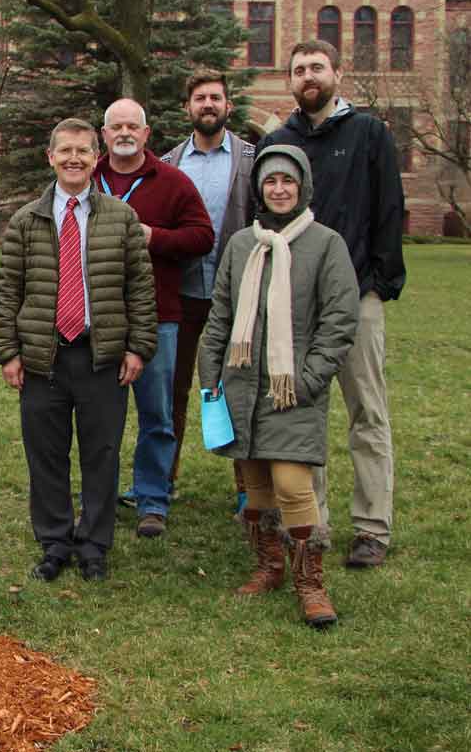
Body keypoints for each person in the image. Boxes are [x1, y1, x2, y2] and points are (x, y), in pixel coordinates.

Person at [0, 117, 157, 583]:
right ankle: (55, 540)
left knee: (101, 453)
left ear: (95, 157)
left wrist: (138, 348)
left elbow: (140, 290)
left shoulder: (120, 218)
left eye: (83, 151)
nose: (74, 158)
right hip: (44, 355)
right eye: (65, 151)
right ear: (51, 157)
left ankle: (95, 544)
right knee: (46, 453)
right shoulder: (26, 221)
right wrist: (8, 352)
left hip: (100, 354)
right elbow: (8, 291)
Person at [260, 40, 406, 568]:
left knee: (367, 412)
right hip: (299, 302)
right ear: (290, 81)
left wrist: (379, 283)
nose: (309, 76)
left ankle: (371, 526)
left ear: (338, 74)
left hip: (358, 295)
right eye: (299, 70)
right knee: (303, 413)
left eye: (317, 67)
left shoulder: (368, 134)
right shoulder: (281, 141)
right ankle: (310, 521)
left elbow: (389, 206)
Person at [199, 146, 358, 628]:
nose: (280, 189)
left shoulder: (325, 244)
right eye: (271, 181)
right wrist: (211, 378)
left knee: (292, 483)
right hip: (242, 385)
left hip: (293, 388)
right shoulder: (242, 245)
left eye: (289, 180)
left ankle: (310, 583)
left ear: (303, 185)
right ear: (260, 188)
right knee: (257, 488)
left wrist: (310, 378)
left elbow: (339, 318)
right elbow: (221, 314)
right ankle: (268, 565)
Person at [95, 98, 213, 539]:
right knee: (100, 416)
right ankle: (100, 495)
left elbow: (203, 236)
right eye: (116, 127)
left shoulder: (172, 182)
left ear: (146, 135)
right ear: (104, 136)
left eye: (133, 126)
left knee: (157, 415)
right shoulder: (89, 180)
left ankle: (152, 500)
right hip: (98, 318)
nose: (124, 133)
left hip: (158, 317)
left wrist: (154, 237)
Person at [161, 72, 257, 517]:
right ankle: (163, 478)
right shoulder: (169, 165)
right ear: (188, 108)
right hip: (181, 294)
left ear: (228, 106)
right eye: (199, 98)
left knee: (237, 390)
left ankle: (248, 487)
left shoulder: (251, 161)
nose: (208, 104)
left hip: (235, 296)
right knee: (172, 389)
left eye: (215, 98)